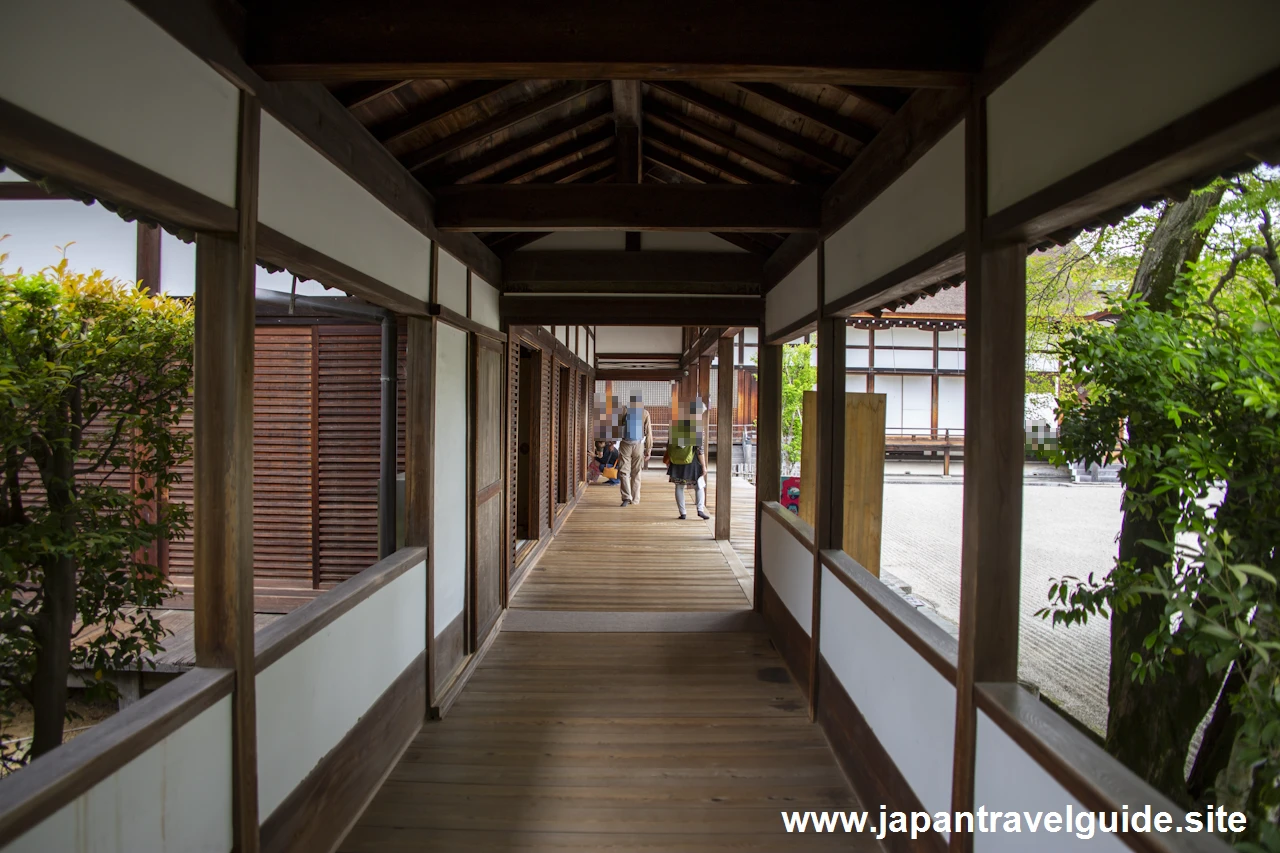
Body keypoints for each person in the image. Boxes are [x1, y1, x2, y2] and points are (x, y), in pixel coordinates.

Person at [665, 416, 708, 520]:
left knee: (679, 487)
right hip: (692, 461)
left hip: (676, 462)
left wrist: (669, 459)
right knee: (698, 485)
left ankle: (683, 513)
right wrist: (704, 466)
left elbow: (669, 445)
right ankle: (700, 510)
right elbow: (699, 450)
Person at [617, 393, 652, 507]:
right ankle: (635, 499)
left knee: (623, 471)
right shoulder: (645, 413)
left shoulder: (624, 411)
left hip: (625, 444)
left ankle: (626, 497)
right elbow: (649, 433)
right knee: (636, 472)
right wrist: (649, 449)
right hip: (638, 445)